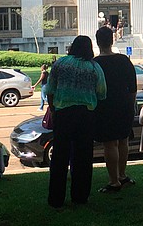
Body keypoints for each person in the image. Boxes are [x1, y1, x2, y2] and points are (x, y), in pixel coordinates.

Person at [46, 35, 107, 208]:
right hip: (86, 115)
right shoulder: (94, 67)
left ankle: (55, 198)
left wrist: (53, 109)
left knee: (59, 157)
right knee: (83, 157)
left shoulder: (60, 64)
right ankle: (80, 196)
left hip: (63, 113)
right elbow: (102, 92)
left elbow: (50, 89)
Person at [93, 26, 137, 193]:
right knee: (123, 141)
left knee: (110, 144)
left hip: (105, 107)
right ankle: (122, 175)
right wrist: (130, 107)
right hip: (124, 105)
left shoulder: (95, 64)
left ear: (97, 42)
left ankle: (114, 181)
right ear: (112, 40)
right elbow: (132, 87)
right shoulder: (124, 60)